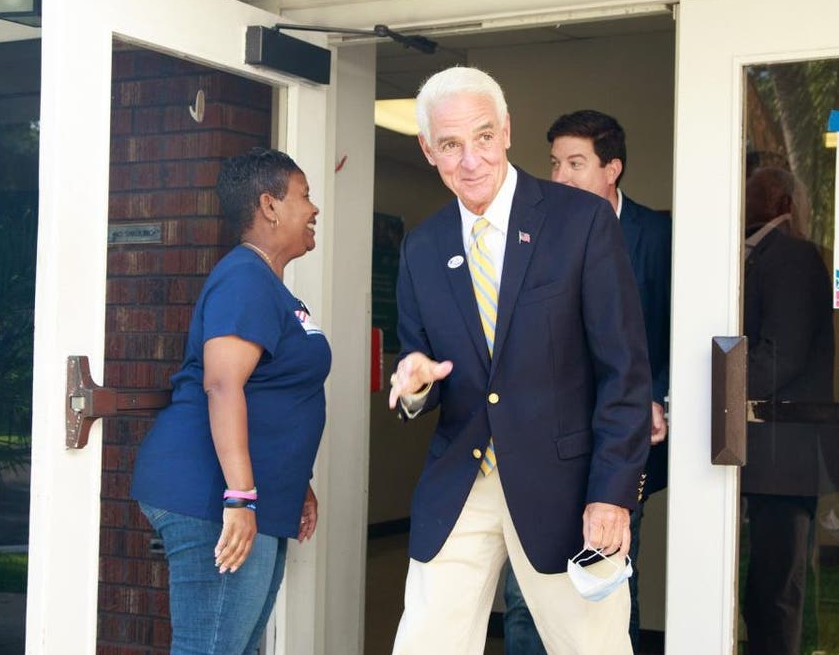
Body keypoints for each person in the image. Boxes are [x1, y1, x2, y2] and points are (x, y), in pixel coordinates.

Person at [387, 66, 651, 655]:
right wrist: (414, 384)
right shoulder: (423, 246)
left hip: (566, 488)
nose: (471, 159)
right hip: (463, 479)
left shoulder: (579, 222)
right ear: (429, 149)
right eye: (451, 145)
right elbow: (418, 358)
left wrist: (613, 492)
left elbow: (624, 371)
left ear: (506, 131)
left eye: (483, 137)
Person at [130, 148, 328, 654]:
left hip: (253, 496)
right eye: (303, 196)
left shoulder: (268, 285)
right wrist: (239, 498)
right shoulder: (244, 278)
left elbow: (274, 389)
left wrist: (296, 481)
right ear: (269, 205)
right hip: (211, 496)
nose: (314, 209)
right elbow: (222, 384)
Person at [502, 109, 671, 654]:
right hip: (545, 439)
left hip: (621, 437)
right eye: (555, 164)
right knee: (528, 589)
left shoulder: (658, 235)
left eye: (576, 163)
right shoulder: (535, 236)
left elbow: (676, 324)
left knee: (610, 582)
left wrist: (656, 396)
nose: (561, 177)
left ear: (612, 169)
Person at [741, 166, 839, 655]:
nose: (741, 191)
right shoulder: (756, 254)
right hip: (766, 456)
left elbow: (781, 355)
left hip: (786, 455)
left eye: (753, 185)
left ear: (779, 199)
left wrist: (714, 389)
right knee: (762, 592)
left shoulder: (792, 257)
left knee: (776, 595)